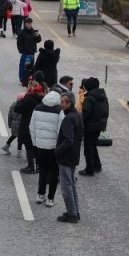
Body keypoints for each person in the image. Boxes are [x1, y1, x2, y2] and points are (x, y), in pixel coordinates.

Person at [29, 90, 63, 206]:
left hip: (40, 145)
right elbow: (60, 130)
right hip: (53, 146)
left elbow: (32, 127)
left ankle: (40, 194)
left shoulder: (37, 108)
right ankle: (50, 198)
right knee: (54, 172)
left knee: (42, 170)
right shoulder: (59, 111)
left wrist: (35, 142)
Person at [55, 90, 83, 223]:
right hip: (74, 156)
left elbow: (68, 139)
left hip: (66, 157)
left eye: (62, 102)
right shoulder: (77, 115)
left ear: (69, 103)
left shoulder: (68, 119)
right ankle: (75, 211)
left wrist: (57, 151)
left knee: (66, 187)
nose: (60, 104)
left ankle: (72, 214)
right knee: (72, 185)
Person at [79, 78, 109, 176]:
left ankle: (89, 169)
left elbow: (85, 114)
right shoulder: (103, 96)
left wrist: (80, 124)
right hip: (100, 124)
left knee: (88, 148)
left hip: (90, 126)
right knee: (93, 145)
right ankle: (97, 165)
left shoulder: (89, 98)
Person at [16, 18, 41, 85]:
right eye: (28, 23)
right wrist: (21, 50)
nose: (29, 25)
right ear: (25, 24)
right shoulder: (22, 32)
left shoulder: (33, 31)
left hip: (32, 52)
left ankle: (30, 79)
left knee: (31, 67)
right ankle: (22, 79)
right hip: (25, 53)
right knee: (23, 66)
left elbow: (38, 41)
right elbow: (19, 42)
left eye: (30, 23)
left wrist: (38, 36)